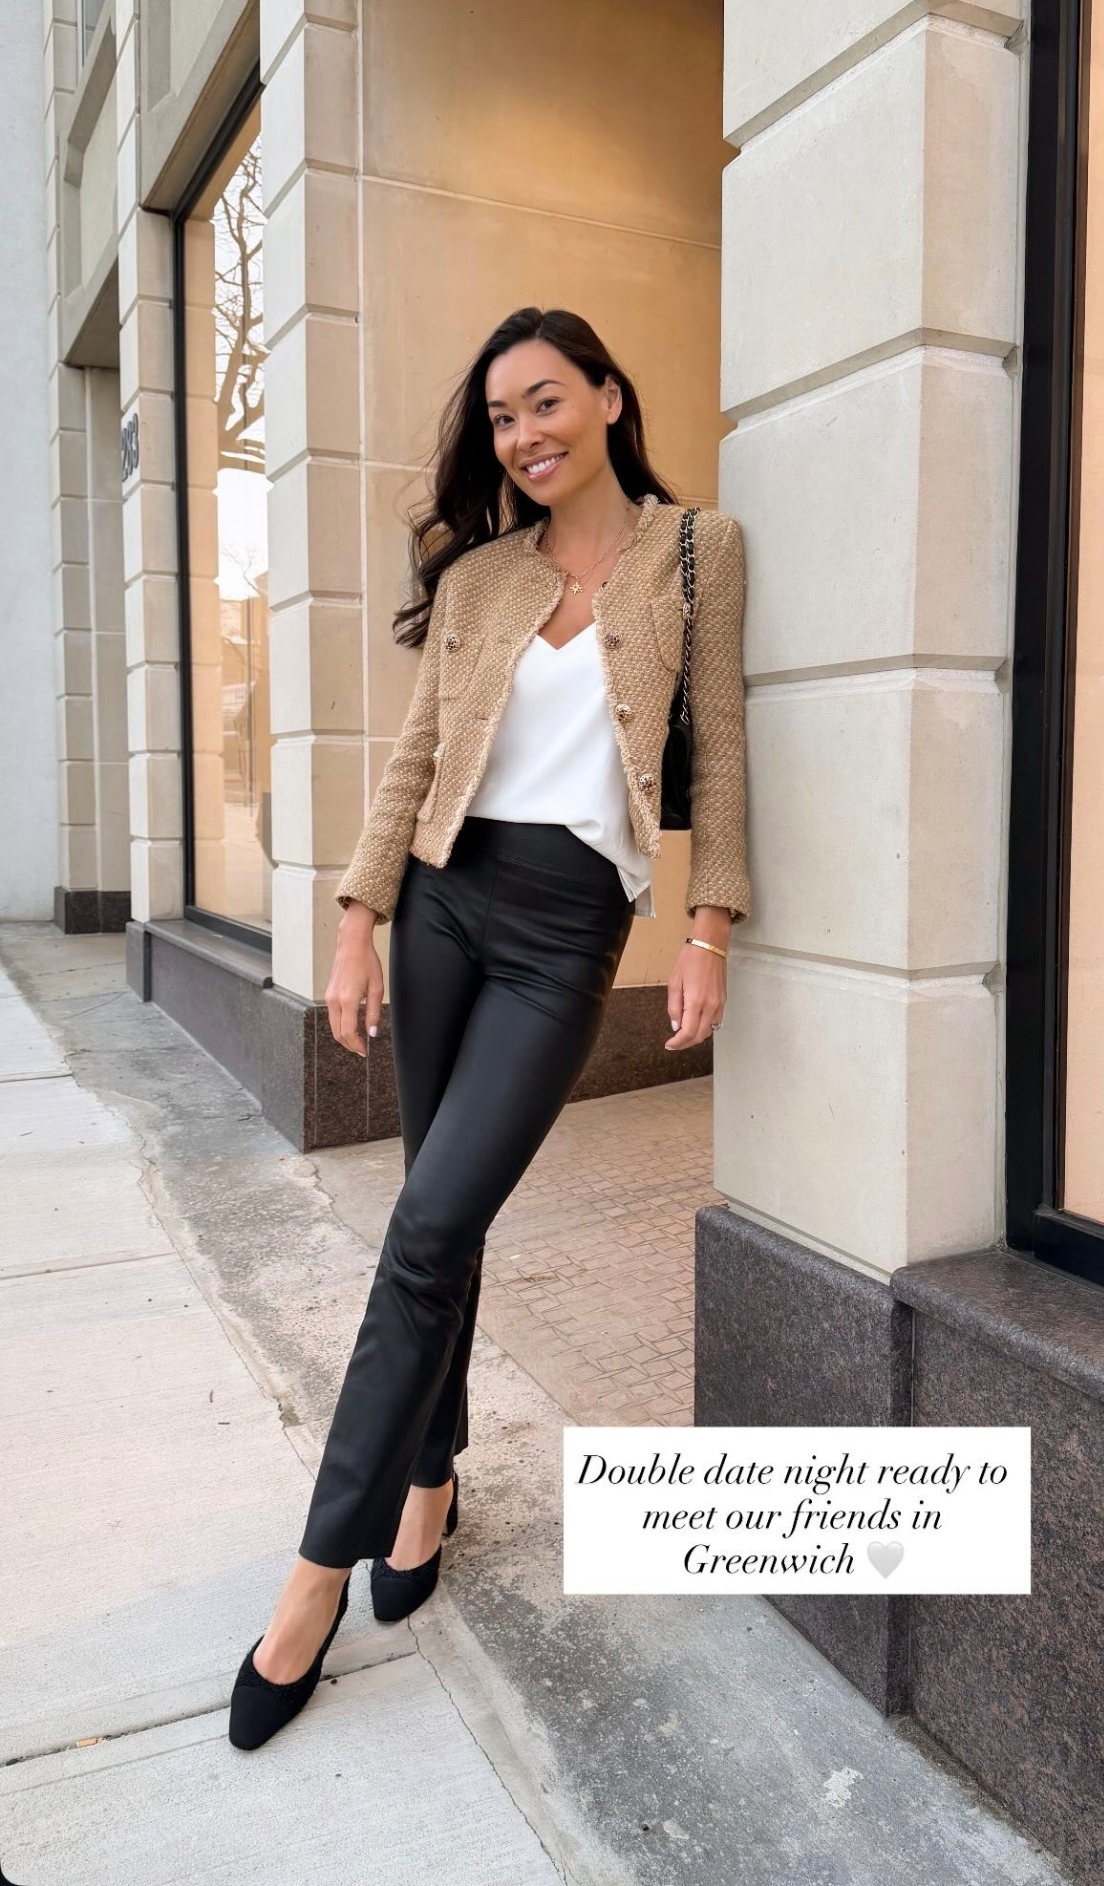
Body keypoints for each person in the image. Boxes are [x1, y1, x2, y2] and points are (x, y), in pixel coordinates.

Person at [228, 305, 751, 1749]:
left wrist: (708, 926)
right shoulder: (476, 578)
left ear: (607, 394)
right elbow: (414, 760)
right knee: (430, 1221)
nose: (523, 435)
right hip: (444, 910)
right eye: (502, 417)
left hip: (565, 934)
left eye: (545, 402)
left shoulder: (696, 551)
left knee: (429, 1225)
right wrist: (352, 920)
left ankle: (312, 1574)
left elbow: (728, 738)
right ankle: (429, 1479)